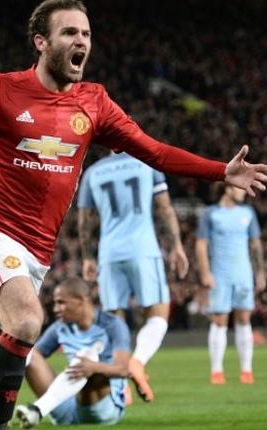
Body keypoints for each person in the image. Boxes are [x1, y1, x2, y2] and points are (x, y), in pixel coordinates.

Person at [0, 0, 267, 428]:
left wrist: (220, 172)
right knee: (26, 320)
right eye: (70, 33)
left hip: (38, 251)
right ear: (41, 42)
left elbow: (154, 151)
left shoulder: (94, 104)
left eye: (86, 33)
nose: (82, 41)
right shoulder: (2, 91)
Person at [76, 151, 189, 402]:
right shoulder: (147, 164)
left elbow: (85, 221)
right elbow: (164, 207)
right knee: (158, 316)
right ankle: (137, 363)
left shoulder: (93, 172)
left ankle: (119, 387)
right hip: (143, 250)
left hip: (109, 254)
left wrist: (87, 257)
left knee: (114, 322)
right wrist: (177, 246)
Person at [0, 278, 131, 428]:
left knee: (87, 355)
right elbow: (28, 359)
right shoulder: (60, 327)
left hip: (102, 408)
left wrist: (94, 367)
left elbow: (123, 370)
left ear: (82, 300)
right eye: (55, 303)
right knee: (24, 351)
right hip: (66, 406)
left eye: (61, 303)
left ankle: (38, 409)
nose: (56, 309)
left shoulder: (113, 325)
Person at [195, 184, 266, 385]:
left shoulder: (248, 213)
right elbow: (201, 245)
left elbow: (256, 243)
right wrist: (205, 273)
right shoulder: (210, 213)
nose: (244, 191)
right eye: (240, 188)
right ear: (228, 189)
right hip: (220, 276)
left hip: (243, 275)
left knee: (244, 320)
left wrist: (260, 272)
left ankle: (247, 370)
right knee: (219, 322)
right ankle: (216, 371)